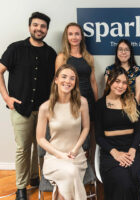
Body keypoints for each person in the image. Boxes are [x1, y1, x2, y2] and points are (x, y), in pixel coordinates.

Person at [0, 12, 56, 200]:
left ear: (46, 30)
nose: (39, 29)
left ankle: (35, 177)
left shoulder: (50, 53)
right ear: (30, 27)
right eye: (35, 25)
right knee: (23, 147)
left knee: (39, 146)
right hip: (20, 109)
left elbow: (53, 82)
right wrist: (6, 98)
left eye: (43, 26)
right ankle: (21, 187)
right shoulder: (15, 49)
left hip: (42, 110)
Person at [95, 67, 140, 200]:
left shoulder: (131, 102)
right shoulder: (100, 105)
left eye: (124, 83)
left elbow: (138, 132)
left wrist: (132, 150)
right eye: (117, 81)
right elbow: (98, 136)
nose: (121, 86)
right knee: (124, 183)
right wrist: (115, 153)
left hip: (132, 150)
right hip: (111, 152)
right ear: (109, 82)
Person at [36, 64, 89, 200]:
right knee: (70, 173)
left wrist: (76, 149)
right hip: (54, 158)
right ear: (56, 80)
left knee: (68, 176)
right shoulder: (45, 107)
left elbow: (86, 128)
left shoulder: (82, 103)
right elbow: (40, 138)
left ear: (75, 82)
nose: (68, 81)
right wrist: (59, 155)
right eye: (64, 77)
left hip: (76, 156)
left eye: (72, 78)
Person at [55, 22, 98, 157]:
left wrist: (96, 104)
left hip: (89, 101)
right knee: (73, 135)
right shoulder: (62, 57)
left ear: (81, 37)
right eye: (71, 34)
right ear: (66, 37)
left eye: (77, 34)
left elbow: (93, 81)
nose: (74, 37)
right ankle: (73, 164)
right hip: (70, 102)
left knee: (89, 136)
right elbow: (58, 82)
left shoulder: (89, 57)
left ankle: (88, 169)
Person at [104, 39, 140, 128]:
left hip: (134, 110)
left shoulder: (137, 70)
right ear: (117, 52)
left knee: (134, 139)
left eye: (126, 50)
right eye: (120, 49)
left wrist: (130, 113)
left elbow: (138, 96)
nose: (123, 52)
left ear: (130, 52)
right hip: (115, 111)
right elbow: (109, 92)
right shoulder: (110, 70)